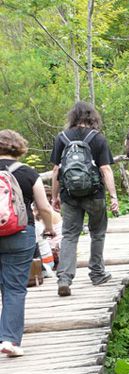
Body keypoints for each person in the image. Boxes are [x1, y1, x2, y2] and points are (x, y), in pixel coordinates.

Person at [50, 102, 119, 297]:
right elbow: (105, 169)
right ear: (92, 117)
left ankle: (64, 278)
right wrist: (113, 196)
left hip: (69, 195)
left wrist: (54, 197)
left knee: (70, 235)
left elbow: (56, 170)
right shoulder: (97, 138)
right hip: (95, 194)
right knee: (97, 233)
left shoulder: (62, 138)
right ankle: (97, 273)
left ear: (72, 117)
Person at [0, 130, 56, 357]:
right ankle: (9, 340)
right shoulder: (28, 173)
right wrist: (50, 228)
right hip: (20, 233)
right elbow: (43, 207)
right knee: (14, 287)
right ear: (19, 148)